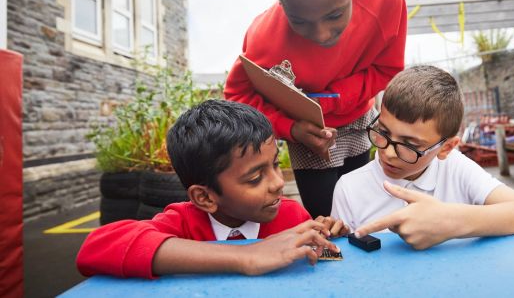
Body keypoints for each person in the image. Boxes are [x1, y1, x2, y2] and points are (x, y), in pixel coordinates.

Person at [224, 0, 407, 218]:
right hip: (306, 135)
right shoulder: (263, 38)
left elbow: (388, 68)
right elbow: (238, 95)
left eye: (335, 15)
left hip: (360, 118)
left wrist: (333, 101)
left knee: (362, 211)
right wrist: (291, 128)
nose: (322, 35)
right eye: (299, 20)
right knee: (325, 217)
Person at [76, 100, 346, 279]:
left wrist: (332, 238)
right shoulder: (183, 222)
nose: (277, 183)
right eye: (254, 178)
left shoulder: (292, 216)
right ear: (204, 197)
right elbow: (95, 249)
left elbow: (324, 264)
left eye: (275, 164)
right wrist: (246, 255)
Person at [331, 66, 514, 249]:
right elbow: (338, 258)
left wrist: (452, 220)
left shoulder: (457, 169)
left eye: (410, 144)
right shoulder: (349, 188)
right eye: (383, 132)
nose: (388, 152)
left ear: (447, 147)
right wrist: (333, 237)